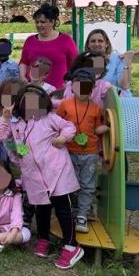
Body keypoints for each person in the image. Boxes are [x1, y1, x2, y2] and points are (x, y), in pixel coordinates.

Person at [0, 85, 84, 270]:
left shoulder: (48, 118)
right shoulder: (15, 123)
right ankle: (43, 239)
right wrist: (5, 117)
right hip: (33, 175)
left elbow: (69, 127)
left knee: (62, 209)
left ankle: (71, 245)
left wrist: (63, 138)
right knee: (42, 208)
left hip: (57, 171)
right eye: (28, 102)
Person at [55, 68, 110, 234]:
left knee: (87, 185)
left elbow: (97, 128)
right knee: (70, 184)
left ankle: (82, 216)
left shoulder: (95, 108)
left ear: (92, 88)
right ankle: (72, 211)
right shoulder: (65, 104)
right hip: (68, 152)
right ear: (73, 87)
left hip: (90, 153)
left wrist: (108, 127)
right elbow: (56, 124)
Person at [19, 3, 78, 90]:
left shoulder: (66, 40)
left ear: (52, 22)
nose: (39, 25)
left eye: (43, 22)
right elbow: (23, 62)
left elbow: (75, 65)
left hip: (59, 92)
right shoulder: (30, 40)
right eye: (37, 22)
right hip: (33, 89)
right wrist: (22, 77)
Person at [85, 29, 136, 97]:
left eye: (100, 41)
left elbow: (124, 85)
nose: (96, 44)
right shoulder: (83, 61)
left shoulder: (117, 58)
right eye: (93, 41)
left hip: (118, 101)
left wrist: (127, 62)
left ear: (106, 44)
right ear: (88, 44)